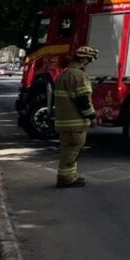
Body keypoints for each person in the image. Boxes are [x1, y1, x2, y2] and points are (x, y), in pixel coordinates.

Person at [54, 46, 98, 188]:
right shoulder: (79, 76)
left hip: (64, 122)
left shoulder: (63, 75)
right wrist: (92, 116)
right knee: (73, 151)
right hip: (75, 123)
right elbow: (82, 100)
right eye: (89, 60)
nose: (89, 64)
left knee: (69, 149)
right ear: (84, 59)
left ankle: (70, 176)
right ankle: (65, 179)